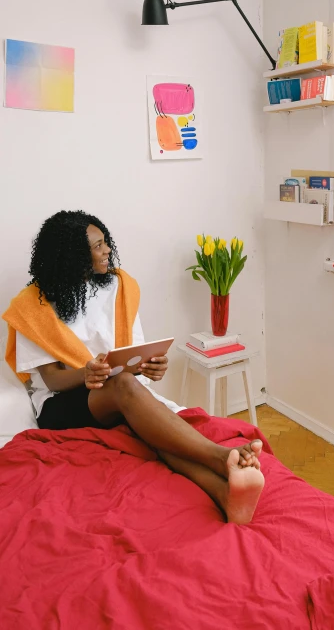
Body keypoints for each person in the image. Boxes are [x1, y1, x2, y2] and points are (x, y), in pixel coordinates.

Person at [2, 210, 264, 524]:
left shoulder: (119, 287)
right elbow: (53, 380)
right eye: (97, 246)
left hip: (111, 391)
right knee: (126, 388)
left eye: (105, 242)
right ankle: (220, 457)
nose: (107, 250)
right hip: (61, 406)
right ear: (72, 256)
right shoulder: (31, 306)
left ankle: (224, 494)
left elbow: (129, 356)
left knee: (149, 427)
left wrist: (148, 366)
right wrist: (87, 373)